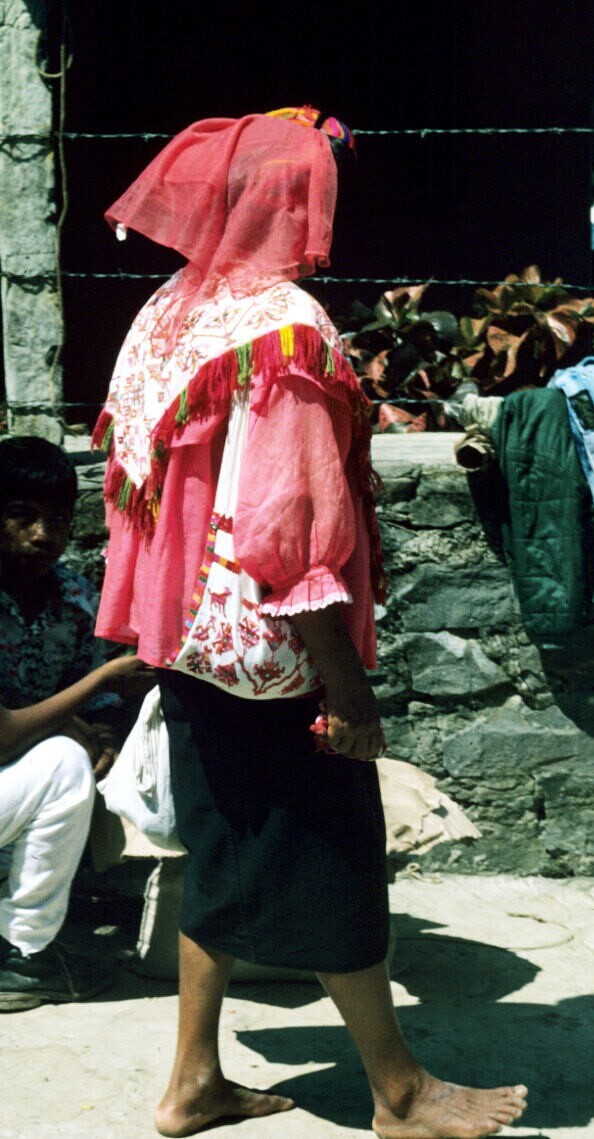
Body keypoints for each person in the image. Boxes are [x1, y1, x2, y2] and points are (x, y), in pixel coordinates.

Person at [94, 107, 526, 1138]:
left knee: (218, 845)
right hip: (273, 654)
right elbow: (289, 529)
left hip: (187, 638)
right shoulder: (286, 328)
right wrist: (347, 684)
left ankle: (193, 1079)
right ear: (295, 204)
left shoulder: (171, 309)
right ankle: (400, 1091)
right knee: (334, 855)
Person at [1, 435, 155, 1010]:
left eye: (59, 520)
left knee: (76, 760)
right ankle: (25, 953)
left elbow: (100, 709)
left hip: (15, 792)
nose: (43, 534)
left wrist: (104, 738)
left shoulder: (75, 598)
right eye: (22, 516)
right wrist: (100, 684)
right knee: (64, 760)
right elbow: (4, 736)